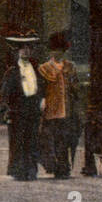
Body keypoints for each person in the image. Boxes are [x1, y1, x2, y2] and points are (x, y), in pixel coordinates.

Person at [0, 31, 44, 181]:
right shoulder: (12, 72)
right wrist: (9, 110)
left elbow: (40, 87)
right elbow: (6, 93)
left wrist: (41, 100)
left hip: (33, 108)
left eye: (28, 48)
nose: (26, 51)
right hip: (18, 110)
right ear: (18, 51)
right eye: (23, 48)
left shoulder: (35, 69)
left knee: (32, 140)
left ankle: (31, 170)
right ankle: (19, 170)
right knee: (18, 141)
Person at [38, 32, 80, 179]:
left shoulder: (70, 67)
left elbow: (76, 88)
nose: (57, 53)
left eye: (60, 50)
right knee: (51, 139)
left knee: (65, 140)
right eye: (55, 50)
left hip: (67, 109)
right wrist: (42, 100)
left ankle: (63, 168)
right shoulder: (44, 68)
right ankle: (53, 165)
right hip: (51, 109)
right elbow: (41, 89)